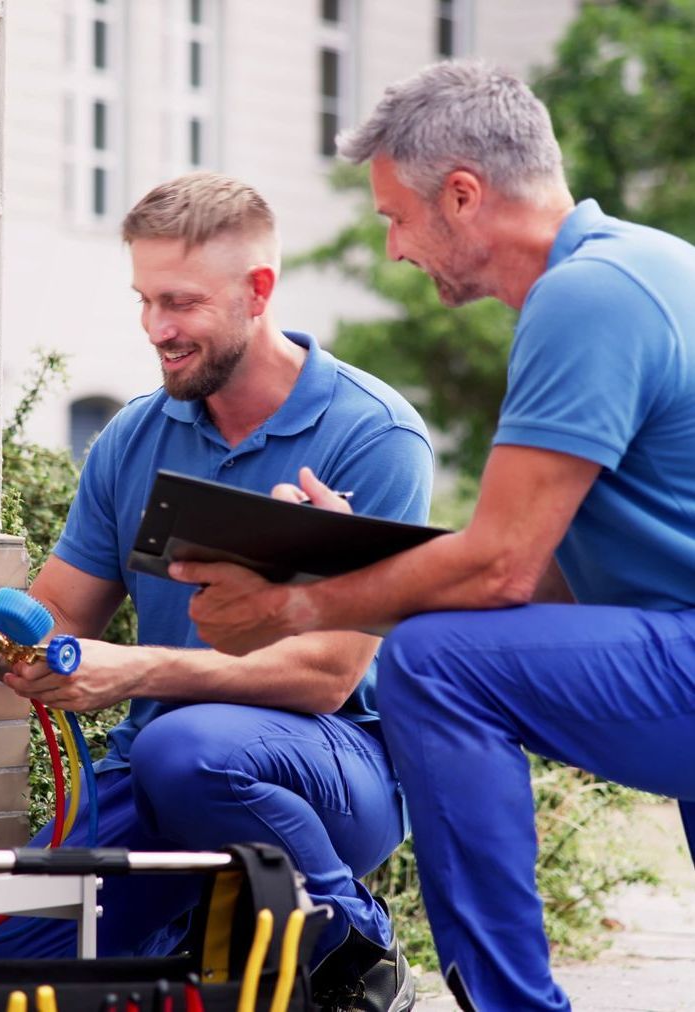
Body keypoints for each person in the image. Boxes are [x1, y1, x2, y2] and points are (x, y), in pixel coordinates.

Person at [173, 60, 695, 1012]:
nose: (395, 250)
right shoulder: (646, 266)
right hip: (670, 639)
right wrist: (367, 556)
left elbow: (499, 571)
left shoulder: (587, 297)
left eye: (394, 218)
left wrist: (295, 607)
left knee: (434, 662)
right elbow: (550, 576)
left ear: (462, 195)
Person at [0, 172, 433, 1011]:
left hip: (338, 765)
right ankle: (188, 932)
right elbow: (65, 610)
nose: (155, 330)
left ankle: (353, 948)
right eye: (143, 300)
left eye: (179, 303)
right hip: (157, 757)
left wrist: (131, 672)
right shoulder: (134, 436)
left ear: (257, 292)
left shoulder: (371, 436)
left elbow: (325, 676)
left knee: (188, 752)